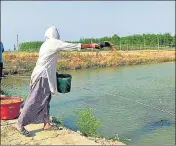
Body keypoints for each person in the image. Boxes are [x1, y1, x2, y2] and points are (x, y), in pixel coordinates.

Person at [16, 26, 100, 136]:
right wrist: (90, 45)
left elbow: (48, 62)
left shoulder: (46, 44)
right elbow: (72, 46)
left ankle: (46, 124)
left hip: (43, 75)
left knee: (45, 100)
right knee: (34, 99)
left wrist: (53, 73)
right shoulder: (53, 43)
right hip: (42, 76)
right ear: (54, 34)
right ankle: (20, 123)